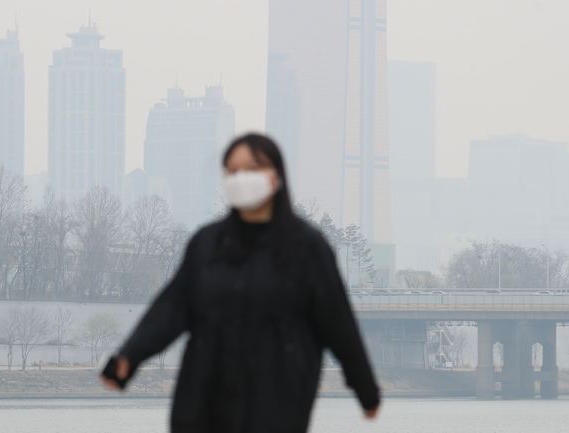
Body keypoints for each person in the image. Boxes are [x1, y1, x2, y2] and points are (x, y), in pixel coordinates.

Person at [101, 133, 380, 432]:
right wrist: (128, 357)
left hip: (277, 402)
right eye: (232, 170)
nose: (240, 178)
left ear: (276, 175)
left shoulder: (307, 247)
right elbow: (171, 308)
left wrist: (365, 389)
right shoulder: (207, 244)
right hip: (203, 401)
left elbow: (338, 323)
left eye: (251, 168)